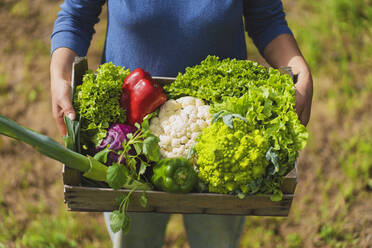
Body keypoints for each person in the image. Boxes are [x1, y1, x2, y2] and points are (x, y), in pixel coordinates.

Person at [50, 1, 313, 247]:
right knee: (134, 238)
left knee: (215, 239)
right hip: (127, 142)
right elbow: (76, 15)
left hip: (222, 141)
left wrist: (297, 66)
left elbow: (266, 20)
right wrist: (59, 75)